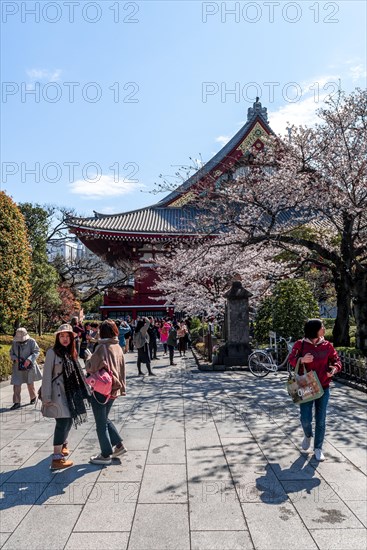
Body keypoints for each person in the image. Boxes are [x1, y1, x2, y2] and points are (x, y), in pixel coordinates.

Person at [288, 319, 342, 462]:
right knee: (305, 419)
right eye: (321, 327)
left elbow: (336, 360)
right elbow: (291, 359)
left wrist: (334, 369)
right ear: (314, 330)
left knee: (321, 419)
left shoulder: (327, 345)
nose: (324, 329)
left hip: (323, 386)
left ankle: (318, 448)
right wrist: (301, 359)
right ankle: (307, 435)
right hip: (306, 386)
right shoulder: (301, 344)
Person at [41, 324, 91, 470]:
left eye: (67, 336)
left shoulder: (71, 352)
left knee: (69, 421)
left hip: (70, 393)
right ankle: (56, 459)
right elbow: (46, 377)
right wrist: (46, 397)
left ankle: (63, 445)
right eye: (61, 336)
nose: (64, 339)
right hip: (57, 394)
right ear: (57, 337)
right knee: (63, 423)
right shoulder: (52, 352)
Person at [85, 319, 127, 465]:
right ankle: (119, 445)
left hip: (101, 389)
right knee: (104, 418)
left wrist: (88, 356)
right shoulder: (117, 347)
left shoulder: (102, 347)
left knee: (100, 423)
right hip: (114, 388)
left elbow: (91, 367)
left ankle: (105, 454)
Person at [9, 328, 42, 410]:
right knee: (16, 384)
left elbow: (36, 351)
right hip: (17, 366)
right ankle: (17, 402)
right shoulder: (14, 342)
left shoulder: (31, 341)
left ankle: (33, 397)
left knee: (30, 383)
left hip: (29, 366)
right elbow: (11, 353)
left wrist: (29, 359)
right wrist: (15, 358)